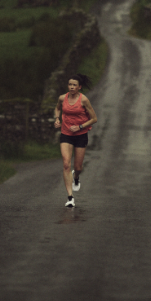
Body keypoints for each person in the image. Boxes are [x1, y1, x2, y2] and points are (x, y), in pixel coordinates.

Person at [54, 73, 98, 208]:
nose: (71, 87)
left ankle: (76, 176)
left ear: (79, 87)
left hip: (81, 134)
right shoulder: (62, 98)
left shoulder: (84, 100)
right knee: (66, 164)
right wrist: (57, 118)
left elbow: (94, 118)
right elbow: (57, 108)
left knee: (77, 167)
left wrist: (80, 126)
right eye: (70, 84)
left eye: (74, 85)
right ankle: (70, 197)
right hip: (66, 134)